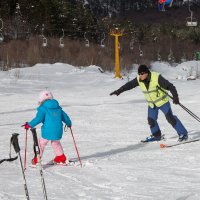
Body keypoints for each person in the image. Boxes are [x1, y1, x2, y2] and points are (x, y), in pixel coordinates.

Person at [110, 64, 188, 142]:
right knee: (151, 120)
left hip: (162, 102)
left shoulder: (156, 77)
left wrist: (175, 96)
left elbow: (170, 86)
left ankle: (183, 134)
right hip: (152, 104)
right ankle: (156, 136)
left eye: (142, 73)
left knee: (170, 118)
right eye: (139, 74)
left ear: (147, 72)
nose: (140, 75)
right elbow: (129, 85)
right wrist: (119, 91)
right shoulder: (139, 79)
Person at [23, 90, 72, 165]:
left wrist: (29, 125)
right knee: (55, 143)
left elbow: (38, 119)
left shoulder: (43, 108)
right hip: (58, 130)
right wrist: (69, 123)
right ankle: (61, 158)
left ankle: (37, 160)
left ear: (41, 100)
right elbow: (65, 117)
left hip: (47, 130)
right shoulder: (58, 107)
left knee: (41, 143)